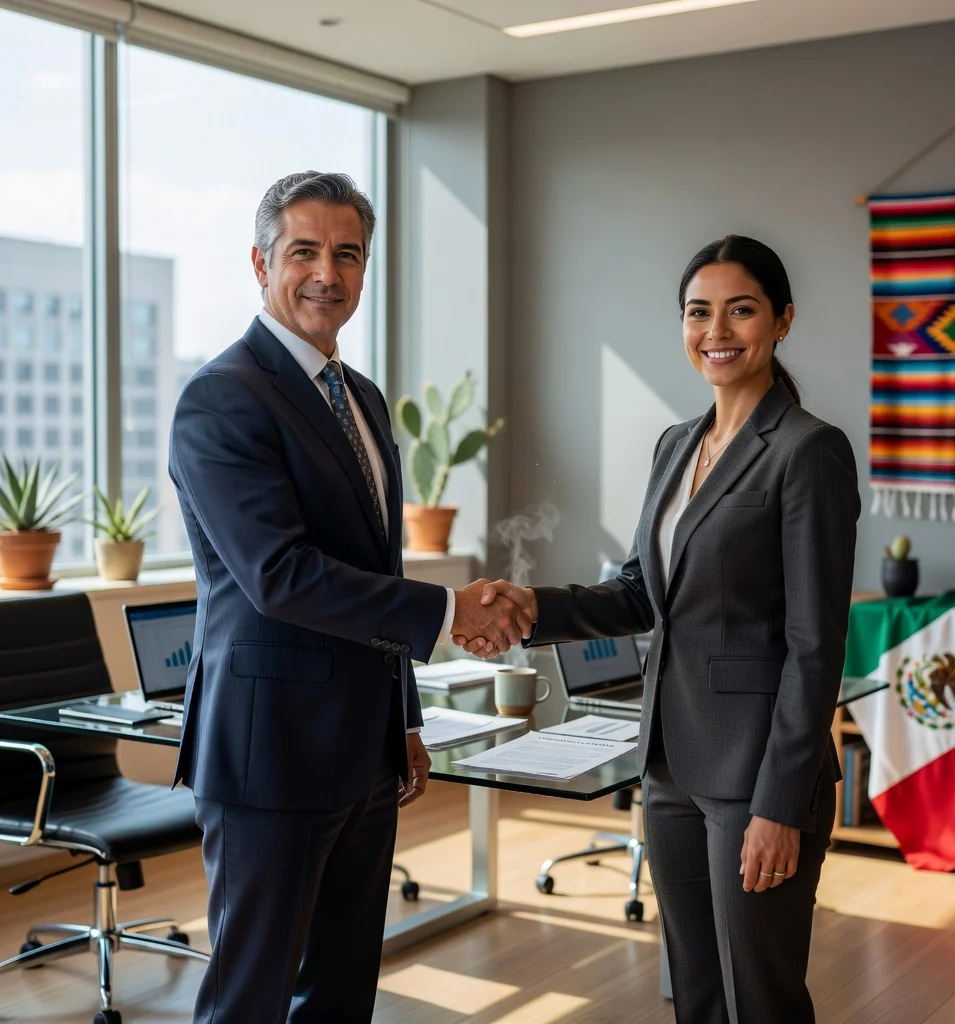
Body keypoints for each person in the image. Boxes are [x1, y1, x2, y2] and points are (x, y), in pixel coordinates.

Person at [456, 236, 860, 1023]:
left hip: (757, 777)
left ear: (782, 320)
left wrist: (779, 805)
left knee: (762, 999)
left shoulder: (808, 452)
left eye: (740, 310)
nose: (717, 330)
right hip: (670, 764)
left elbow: (816, 646)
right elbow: (642, 595)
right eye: (697, 312)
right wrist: (530, 606)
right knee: (696, 993)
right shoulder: (678, 446)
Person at [168, 171, 530, 1024]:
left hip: (365, 752)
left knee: (340, 992)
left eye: (347, 254)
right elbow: (279, 575)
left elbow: (374, 559)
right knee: (249, 998)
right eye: (304, 252)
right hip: (271, 753)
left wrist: (401, 718)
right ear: (261, 263)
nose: (326, 273)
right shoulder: (222, 399)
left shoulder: (359, 397)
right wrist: (447, 612)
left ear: (365, 271)